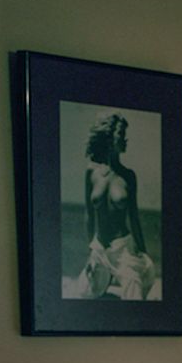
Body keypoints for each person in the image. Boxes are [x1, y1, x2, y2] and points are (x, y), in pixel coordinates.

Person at [65, 112, 158, 301]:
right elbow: (89, 216)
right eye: (122, 135)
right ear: (109, 139)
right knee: (83, 297)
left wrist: (142, 253)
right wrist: (91, 250)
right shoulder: (91, 172)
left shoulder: (128, 176)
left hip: (123, 248)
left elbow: (134, 218)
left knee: (135, 298)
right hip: (99, 248)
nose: (126, 139)